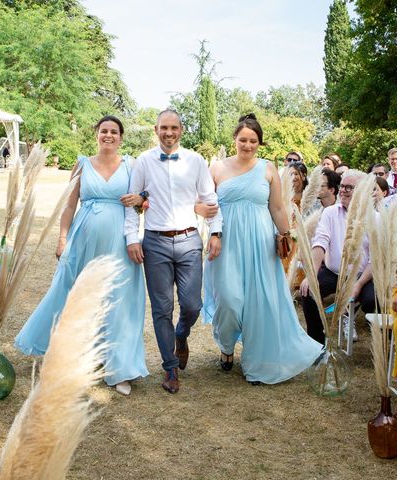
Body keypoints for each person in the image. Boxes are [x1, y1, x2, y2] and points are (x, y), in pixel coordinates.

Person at [16, 115, 148, 396]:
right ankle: (75, 360)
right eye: (104, 131)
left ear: (121, 137)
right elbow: (69, 204)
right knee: (76, 295)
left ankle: (119, 369)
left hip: (120, 242)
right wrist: (62, 237)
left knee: (119, 299)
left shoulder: (131, 165)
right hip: (83, 239)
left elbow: (144, 200)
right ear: (96, 135)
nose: (108, 136)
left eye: (114, 132)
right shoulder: (83, 164)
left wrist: (140, 201)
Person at [203, 114, 322, 385]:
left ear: (260, 142)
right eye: (243, 139)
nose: (247, 145)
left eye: (253, 141)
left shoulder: (268, 169)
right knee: (230, 301)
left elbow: (277, 207)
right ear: (234, 139)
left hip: (260, 242)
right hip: (227, 243)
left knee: (260, 303)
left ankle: (258, 362)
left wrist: (286, 235)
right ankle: (226, 345)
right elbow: (205, 207)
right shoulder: (217, 169)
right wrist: (212, 231)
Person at [125, 110, 222, 394]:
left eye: (174, 128)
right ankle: (169, 368)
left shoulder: (195, 161)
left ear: (181, 129)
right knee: (161, 308)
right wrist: (133, 237)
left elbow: (210, 200)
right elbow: (132, 203)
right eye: (163, 128)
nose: (169, 133)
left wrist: (215, 232)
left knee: (192, 305)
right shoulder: (143, 161)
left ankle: (182, 333)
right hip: (154, 242)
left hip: (190, 240)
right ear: (156, 130)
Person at [300, 170, 376, 344]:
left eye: (349, 187)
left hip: (363, 277)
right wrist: (310, 275)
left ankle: (376, 343)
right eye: (342, 186)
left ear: (362, 191)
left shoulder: (375, 218)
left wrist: (358, 285)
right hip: (334, 273)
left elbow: (374, 259)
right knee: (308, 291)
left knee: (372, 300)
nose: (343, 190)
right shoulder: (330, 213)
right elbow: (320, 243)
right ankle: (317, 342)